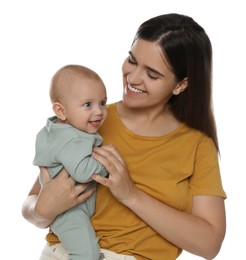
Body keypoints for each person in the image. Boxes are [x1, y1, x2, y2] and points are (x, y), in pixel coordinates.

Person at [22, 13, 226, 260]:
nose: (133, 78)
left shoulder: (197, 145)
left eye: (152, 74)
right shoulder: (89, 120)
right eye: (132, 60)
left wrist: (131, 195)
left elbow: (209, 244)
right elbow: (35, 200)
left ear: (181, 84)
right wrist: (42, 210)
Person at [32, 64, 108, 260]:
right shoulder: (73, 139)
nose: (99, 111)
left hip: (64, 207)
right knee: (86, 254)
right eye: (88, 105)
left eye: (103, 102)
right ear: (61, 111)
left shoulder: (55, 130)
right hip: (69, 212)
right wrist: (106, 164)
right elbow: (82, 172)